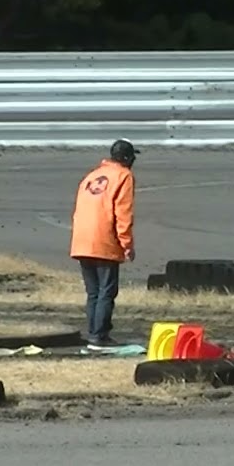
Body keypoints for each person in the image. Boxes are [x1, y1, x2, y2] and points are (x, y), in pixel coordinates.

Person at [69, 139, 139, 348]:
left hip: (82, 239)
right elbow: (123, 213)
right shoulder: (123, 176)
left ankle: (93, 333)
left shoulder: (92, 175)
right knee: (106, 291)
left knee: (93, 292)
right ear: (127, 158)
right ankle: (99, 336)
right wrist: (126, 244)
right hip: (104, 239)